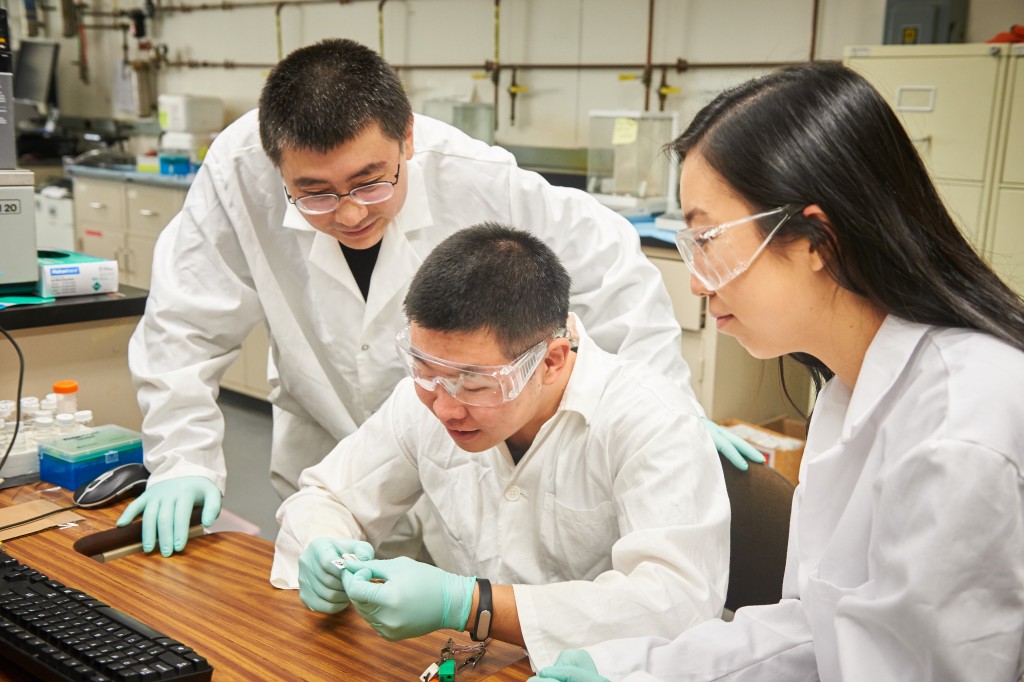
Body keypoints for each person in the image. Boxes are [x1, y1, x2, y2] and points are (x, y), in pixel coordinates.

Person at [117, 38, 759, 557]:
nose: (347, 214)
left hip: (469, 447)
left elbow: (615, 269)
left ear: (408, 141)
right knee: (335, 593)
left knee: (470, 606)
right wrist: (181, 460)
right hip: (330, 432)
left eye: (370, 182)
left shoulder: (475, 177)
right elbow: (185, 322)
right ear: (277, 167)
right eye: (313, 193)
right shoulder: (237, 175)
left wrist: (665, 408)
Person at [530, 62, 1024, 681]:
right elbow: (814, 631)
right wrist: (633, 672)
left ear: (816, 239)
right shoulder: (853, 389)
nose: (695, 281)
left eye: (708, 239)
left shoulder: (958, 427)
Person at [271, 222, 731, 669]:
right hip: (485, 663)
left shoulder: (650, 420)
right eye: (423, 368)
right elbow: (329, 495)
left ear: (550, 361)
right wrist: (324, 545)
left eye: (474, 384)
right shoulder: (430, 396)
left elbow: (675, 603)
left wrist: (471, 605)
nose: (445, 408)